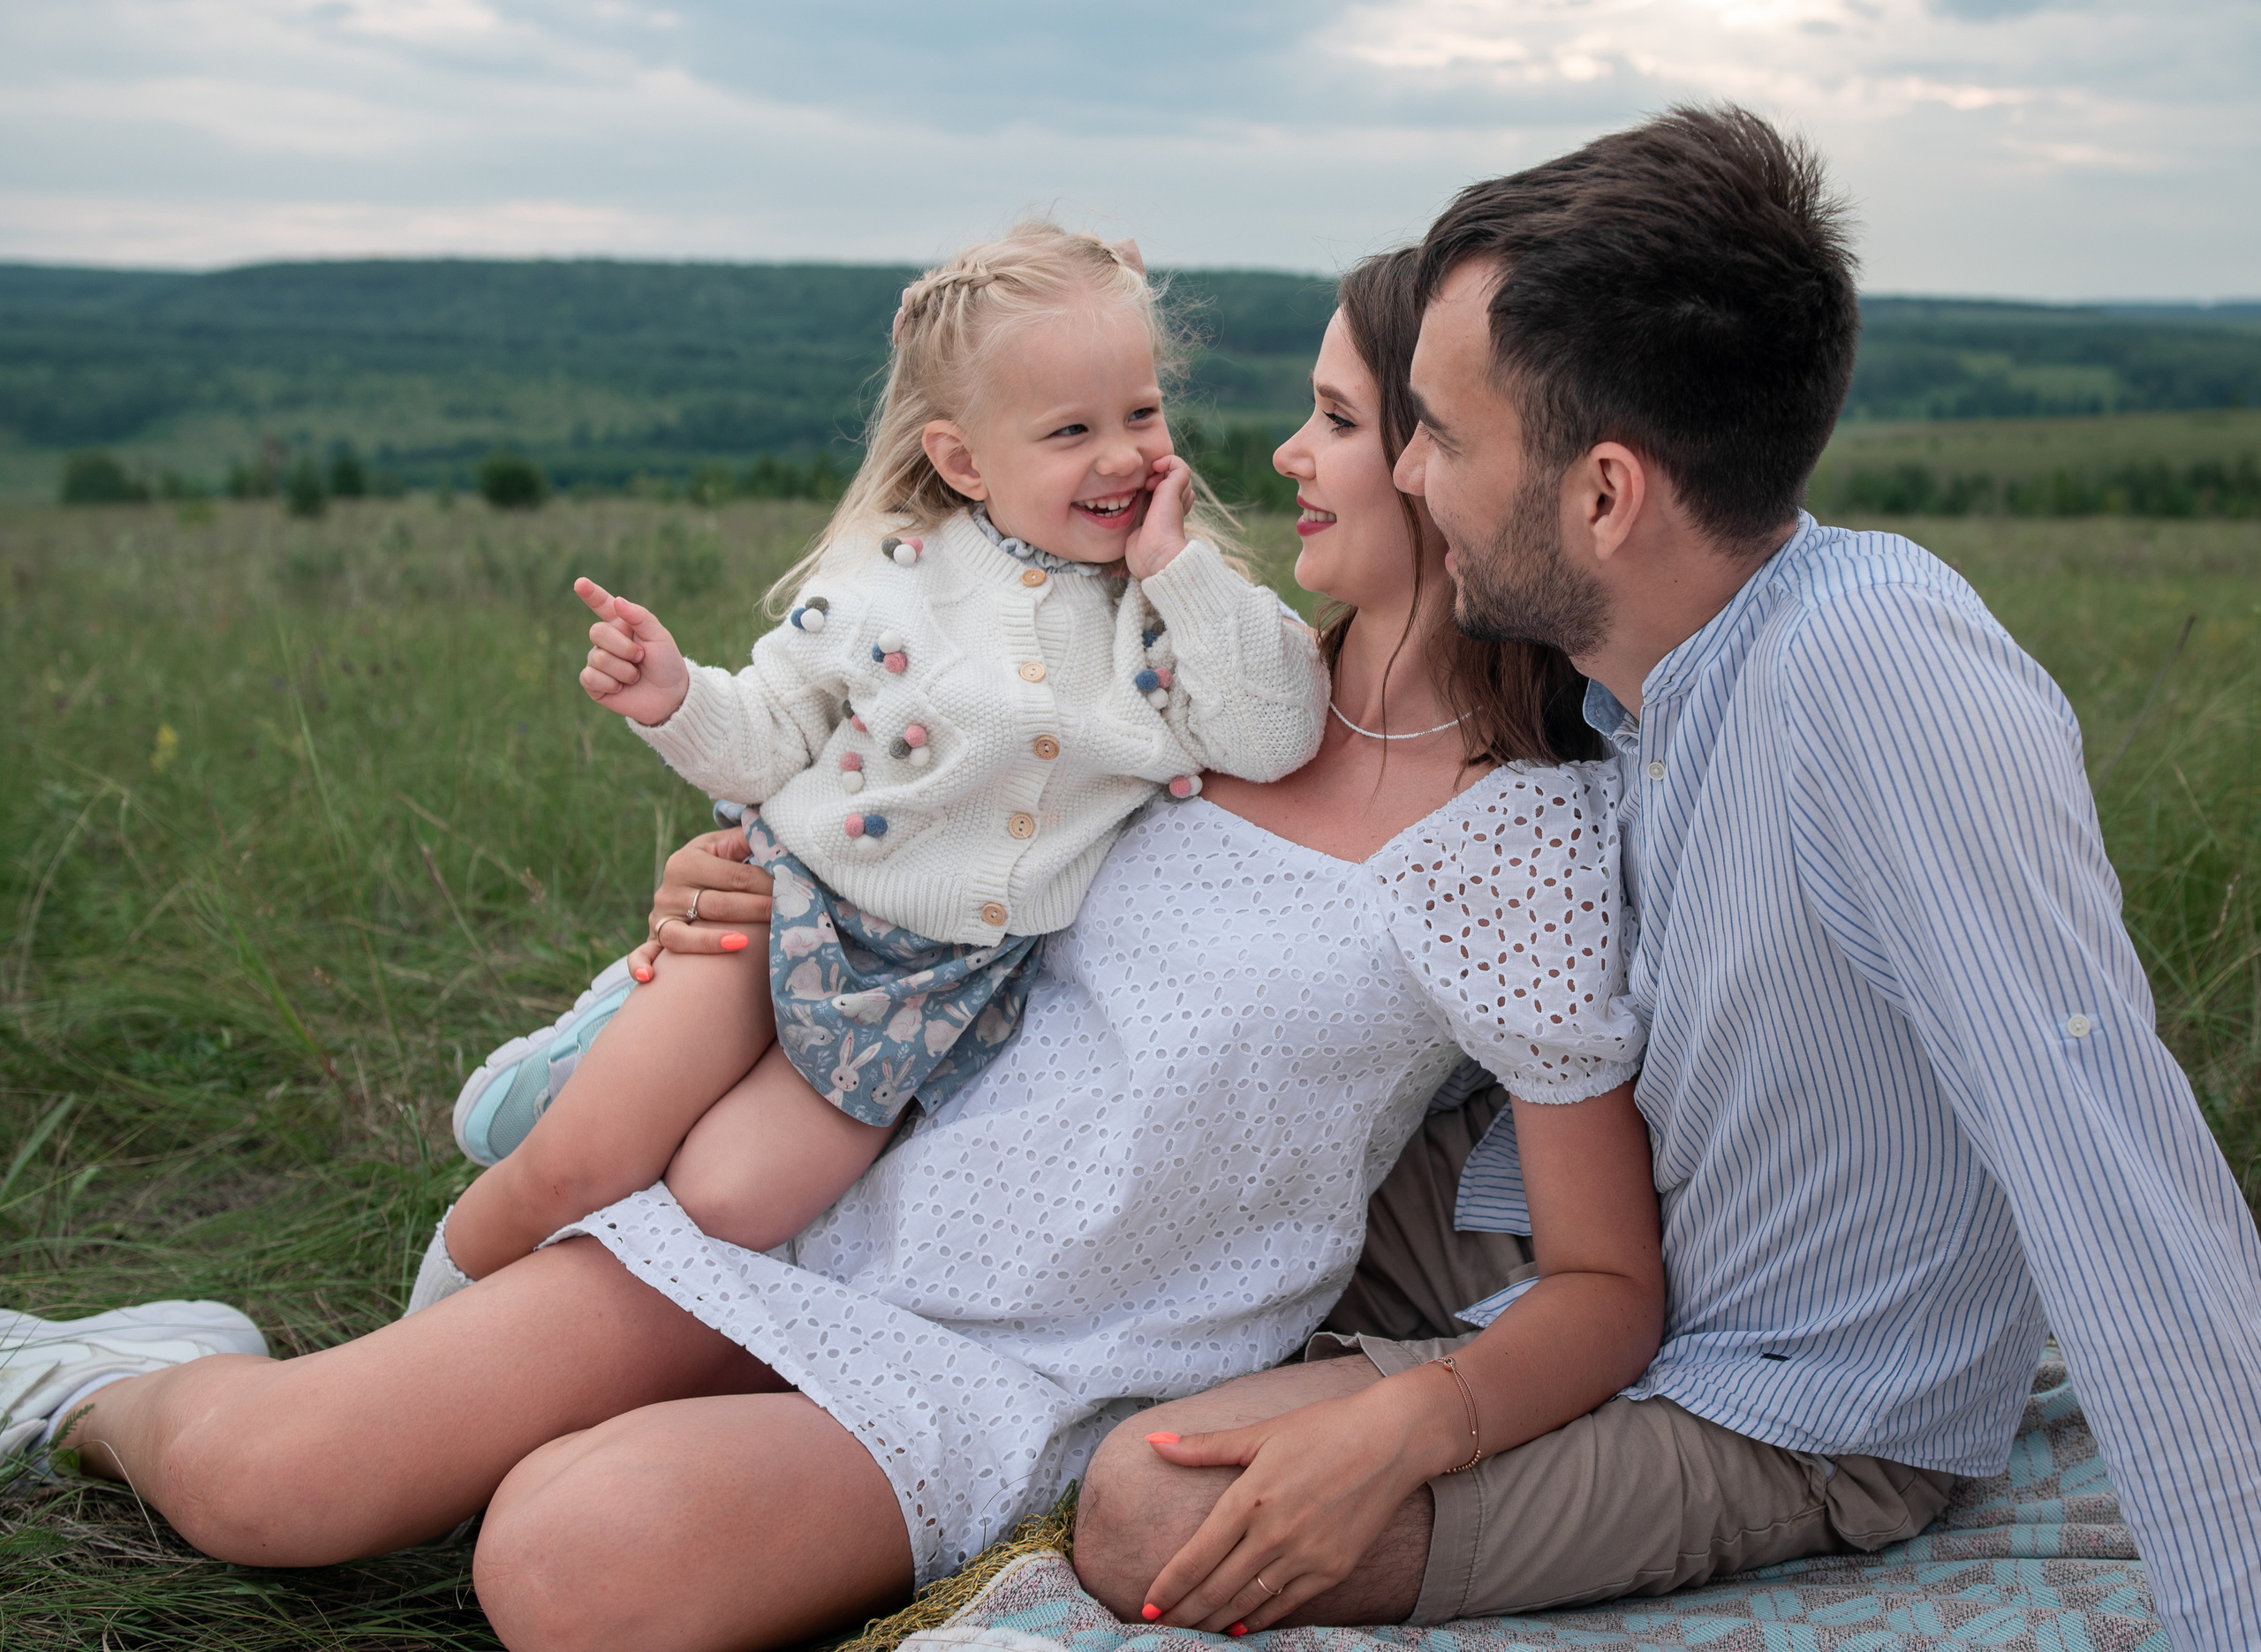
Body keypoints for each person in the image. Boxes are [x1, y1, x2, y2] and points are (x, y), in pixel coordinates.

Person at [0, 249, 1662, 1652]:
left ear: (1469, 465)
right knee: (275, 1484)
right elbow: (894, 817)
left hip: (1040, 1360)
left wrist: (1401, 1428)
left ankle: (590, 1430)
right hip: (820, 1200)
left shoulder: (1528, 842)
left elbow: (1601, 1285)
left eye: (1345, 423)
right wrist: (727, 885)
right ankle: (115, 1378)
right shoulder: (1168, 682)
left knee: (566, 1564)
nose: (1284, 457)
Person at [1073, 106, 2261, 1652]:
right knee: (1152, 1182)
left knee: (1152, 1508)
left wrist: (1430, 1414)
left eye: (1442, 433)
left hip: (1794, 1385)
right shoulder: (1633, 671)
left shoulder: (1873, 673)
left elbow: (2104, 1152)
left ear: (1607, 495)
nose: (1411, 476)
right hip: (1591, 1227)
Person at [423, 221, 1327, 1296]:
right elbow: (764, 738)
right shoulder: (887, 581)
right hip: (789, 908)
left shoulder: (1168, 615)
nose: (1123, 455)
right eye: (1069, 430)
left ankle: (595, 1184)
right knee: (575, 1163)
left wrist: (1178, 566)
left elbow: (1276, 734)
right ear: (961, 459)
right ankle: (412, 1327)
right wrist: (674, 697)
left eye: (1140, 413)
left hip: (933, 988)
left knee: (723, 1202)